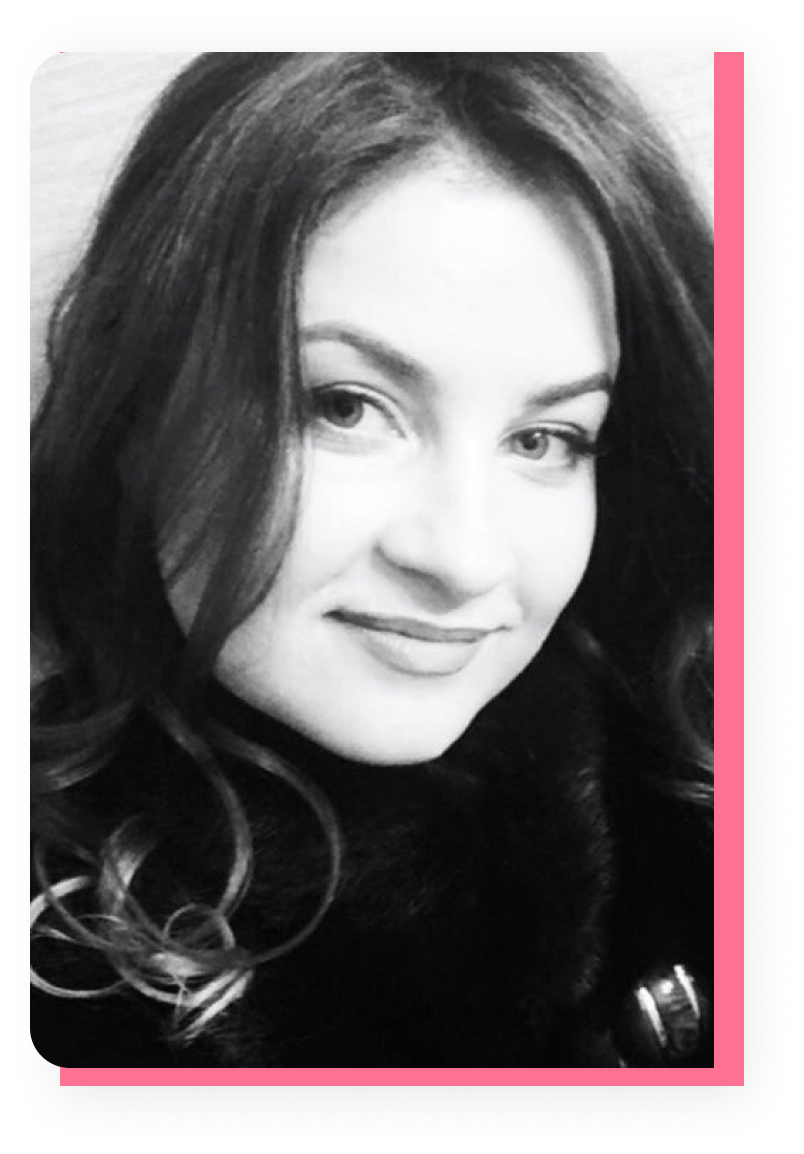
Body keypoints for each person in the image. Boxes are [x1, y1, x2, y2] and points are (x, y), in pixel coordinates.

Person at [30, 51, 714, 1068]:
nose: (464, 558)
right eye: (343, 406)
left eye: (546, 438)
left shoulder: (694, 785)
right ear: (139, 411)